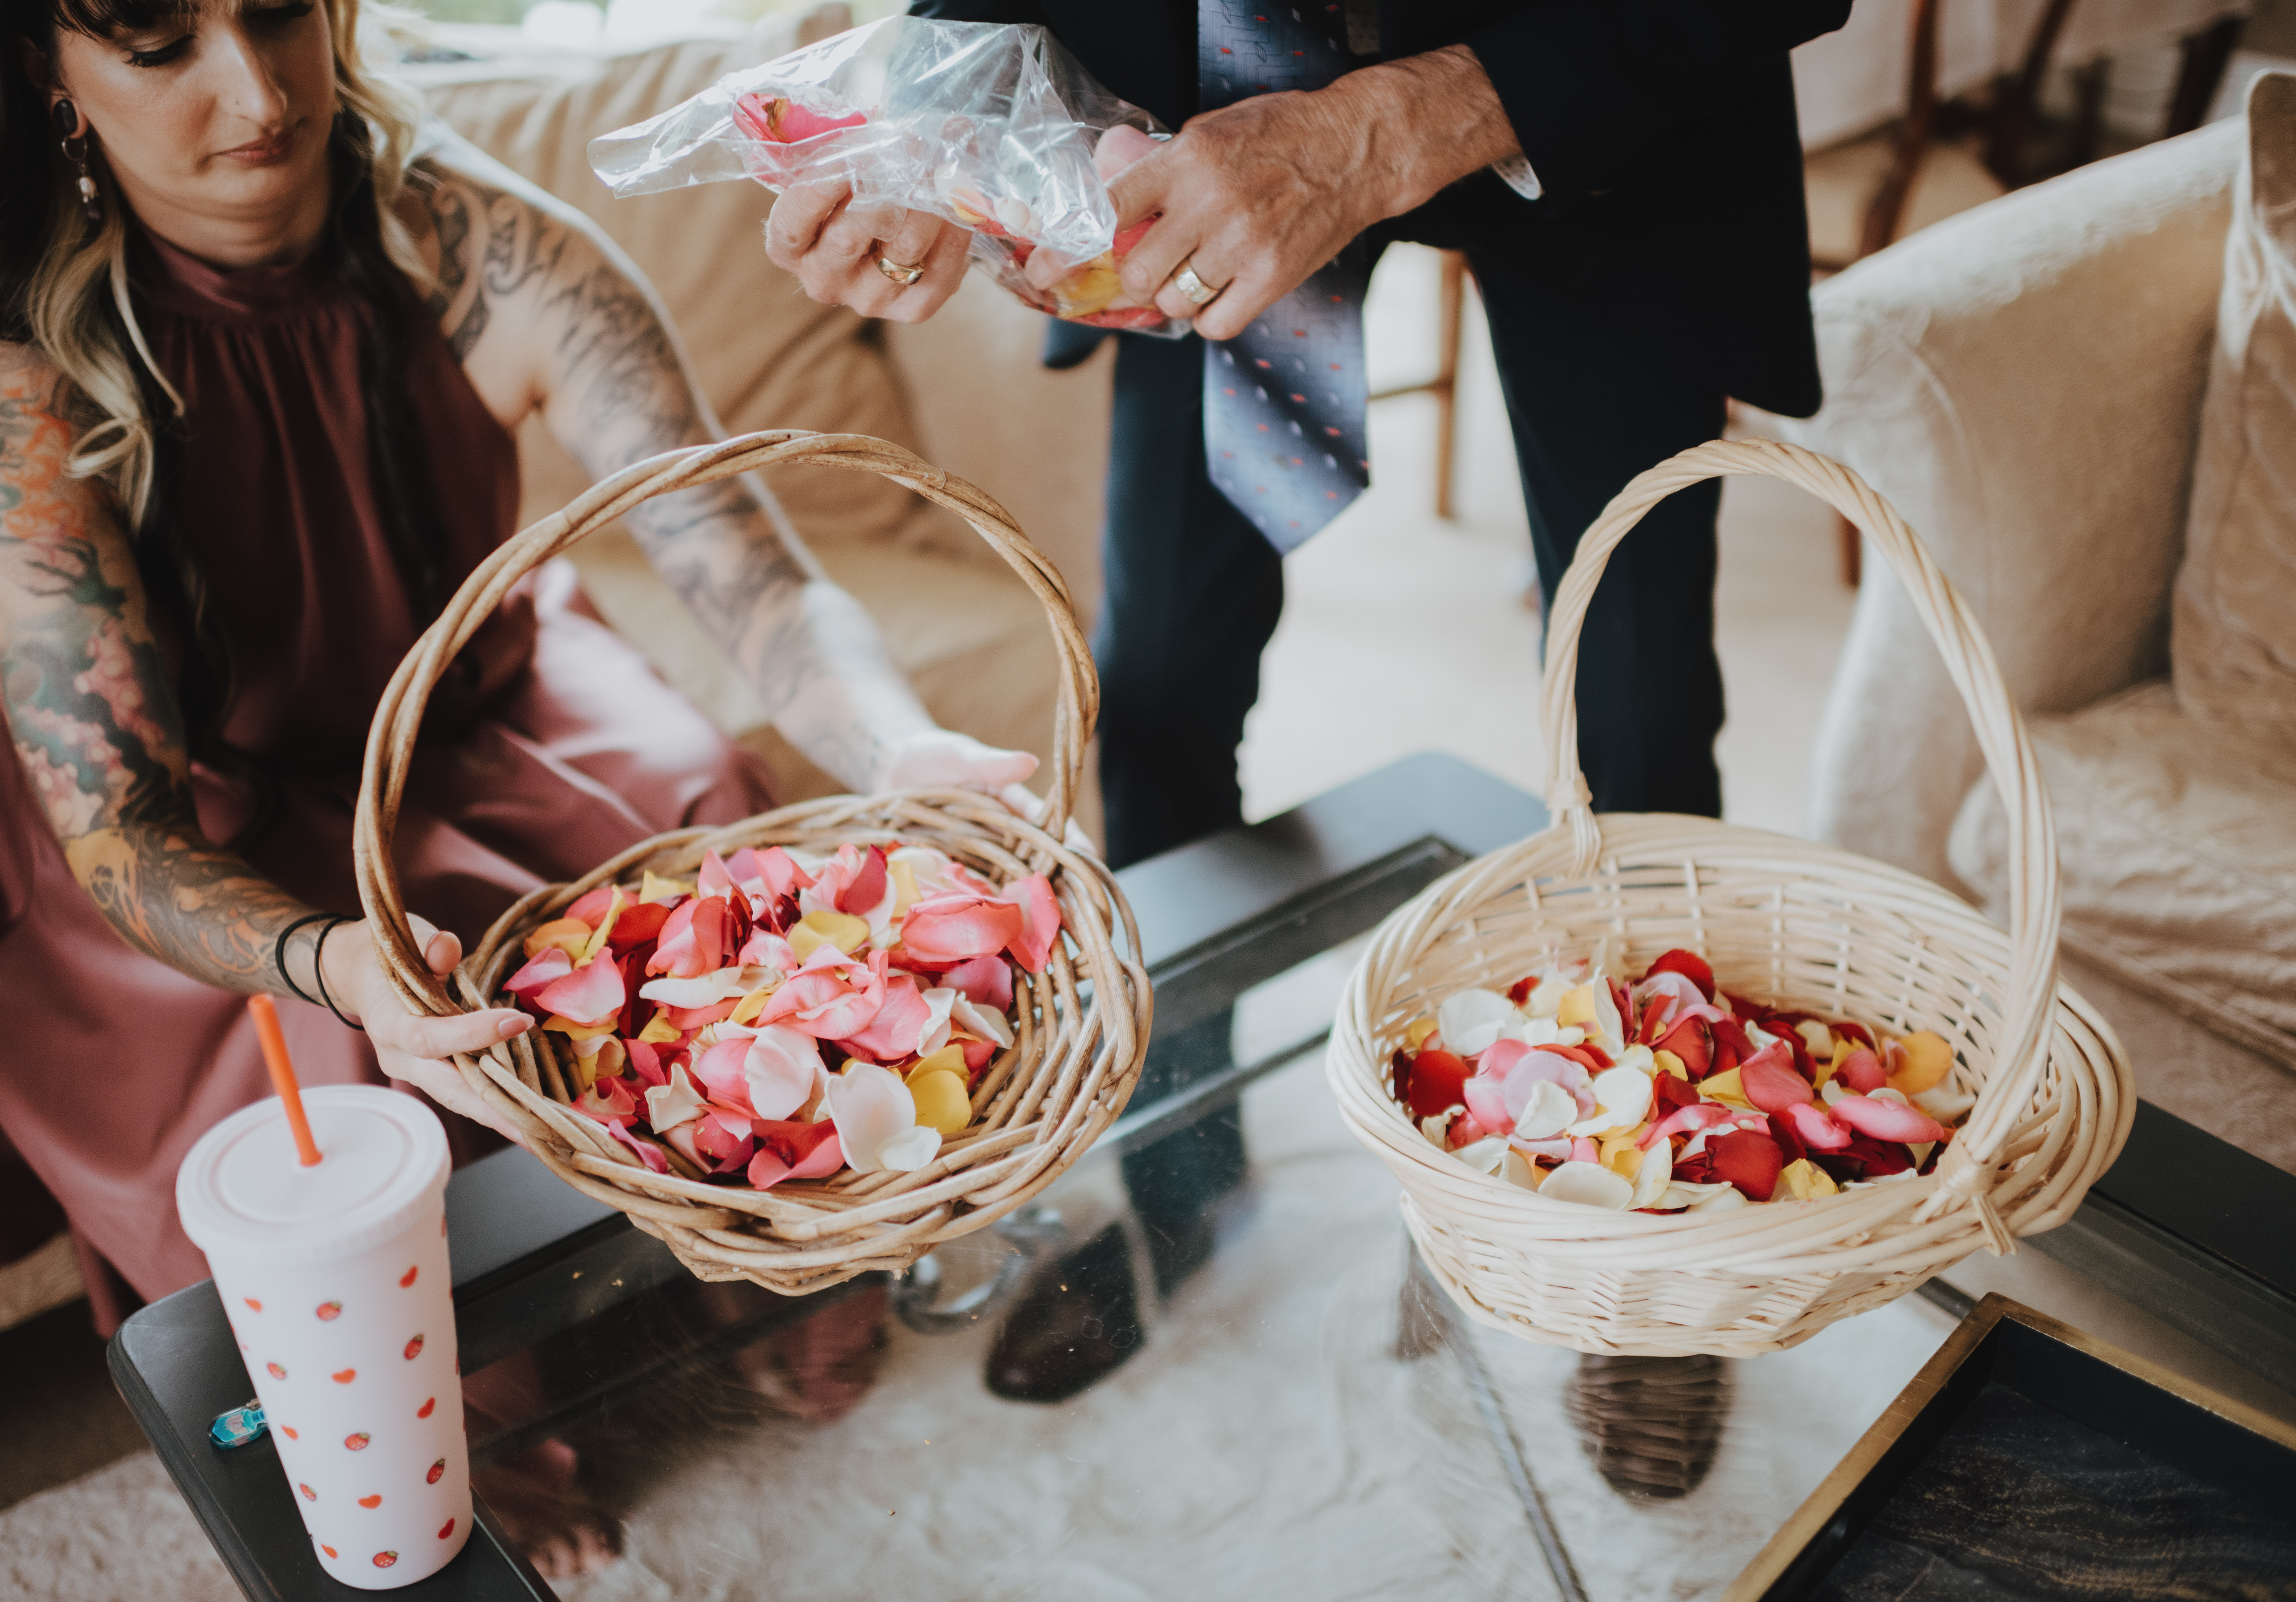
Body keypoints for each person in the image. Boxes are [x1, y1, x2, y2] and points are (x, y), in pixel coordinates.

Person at [0, 0, 1035, 1554]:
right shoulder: (1, 388)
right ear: (53, 76)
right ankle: (459, 1433)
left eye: (280, 14)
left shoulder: (490, 249)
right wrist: (341, 960)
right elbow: (121, 826)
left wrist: (899, 744)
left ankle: (740, 1251)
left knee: (714, 797)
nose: (255, 89)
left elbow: (750, 575)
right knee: (328, 1046)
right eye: (161, 46)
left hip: (471, 700)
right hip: (183, 813)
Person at [763, 0, 1850, 1421]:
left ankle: (1649, 1223)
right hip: (1188, 103)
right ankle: (1184, 1177)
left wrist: (1387, 125)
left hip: (1591, 90)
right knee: (1156, 694)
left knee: (1634, 712)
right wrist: (939, 116)